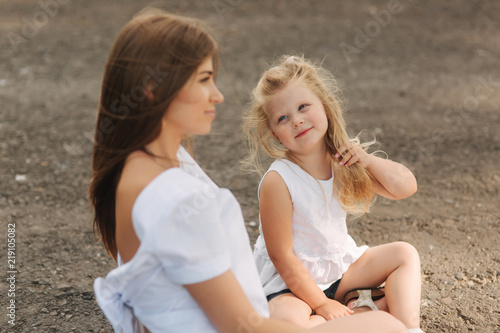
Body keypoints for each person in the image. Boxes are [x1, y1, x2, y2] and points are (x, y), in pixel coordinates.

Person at [90, 9, 408, 333]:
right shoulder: (176, 197)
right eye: (203, 80)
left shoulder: (144, 163)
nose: (218, 94)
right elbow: (242, 327)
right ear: (153, 89)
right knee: (388, 326)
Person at [243, 55, 425, 333]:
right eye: (283, 118)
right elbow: (281, 257)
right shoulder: (279, 180)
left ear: (325, 106)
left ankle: (407, 328)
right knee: (286, 323)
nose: (297, 121)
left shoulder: (343, 158)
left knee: (404, 253)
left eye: (304, 107)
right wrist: (321, 305)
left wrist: (367, 160)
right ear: (275, 134)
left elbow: (405, 187)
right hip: (289, 284)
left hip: (338, 272)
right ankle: (362, 313)